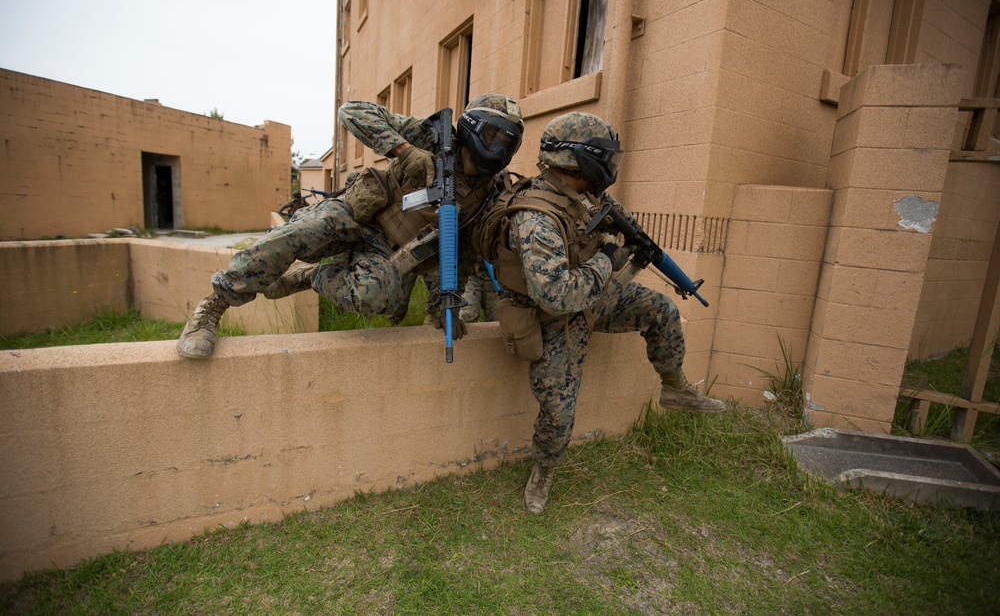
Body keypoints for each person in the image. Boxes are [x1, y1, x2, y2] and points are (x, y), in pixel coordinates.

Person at [474, 112, 726, 515]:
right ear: (580, 160)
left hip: (589, 296)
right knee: (559, 411)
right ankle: (543, 471)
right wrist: (610, 258)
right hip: (547, 316)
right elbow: (556, 297)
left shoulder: (588, 195)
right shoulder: (536, 218)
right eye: (607, 159)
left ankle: (675, 388)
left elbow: (624, 225)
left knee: (659, 309)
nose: (612, 167)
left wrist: (635, 249)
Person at [176, 94, 524, 359]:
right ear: (471, 128)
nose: (499, 147)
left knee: (375, 298)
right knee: (297, 233)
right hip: (359, 214)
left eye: (509, 141)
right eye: (494, 135)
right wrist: (404, 151)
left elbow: (459, 250)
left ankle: (310, 276)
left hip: (393, 250)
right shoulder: (433, 139)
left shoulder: (492, 193)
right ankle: (213, 307)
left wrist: (441, 308)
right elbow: (353, 112)